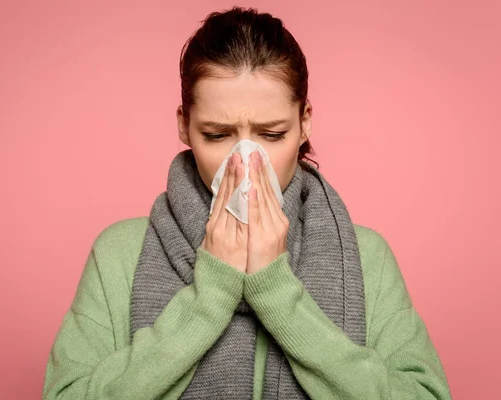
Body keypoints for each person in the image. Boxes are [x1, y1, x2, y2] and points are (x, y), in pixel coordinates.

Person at [42, 6, 452, 400]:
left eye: (271, 134)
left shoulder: (366, 257)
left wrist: (277, 292)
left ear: (304, 120)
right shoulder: (119, 254)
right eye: (217, 135)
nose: (244, 162)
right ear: (184, 125)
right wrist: (210, 294)